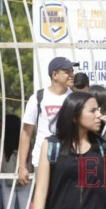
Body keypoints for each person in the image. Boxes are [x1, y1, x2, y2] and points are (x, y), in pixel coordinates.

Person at [18, 56, 78, 186]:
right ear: (55, 75)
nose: (72, 75)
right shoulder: (38, 98)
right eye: (67, 72)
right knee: (45, 201)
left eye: (72, 71)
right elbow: (26, 133)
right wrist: (22, 166)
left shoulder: (74, 98)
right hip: (43, 159)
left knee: (67, 203)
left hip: (69, 158)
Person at [0, 115, 32, 209]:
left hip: (7, 181)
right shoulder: (26, 142)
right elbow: (30, 162)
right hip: (25, 179)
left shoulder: (1, 143)